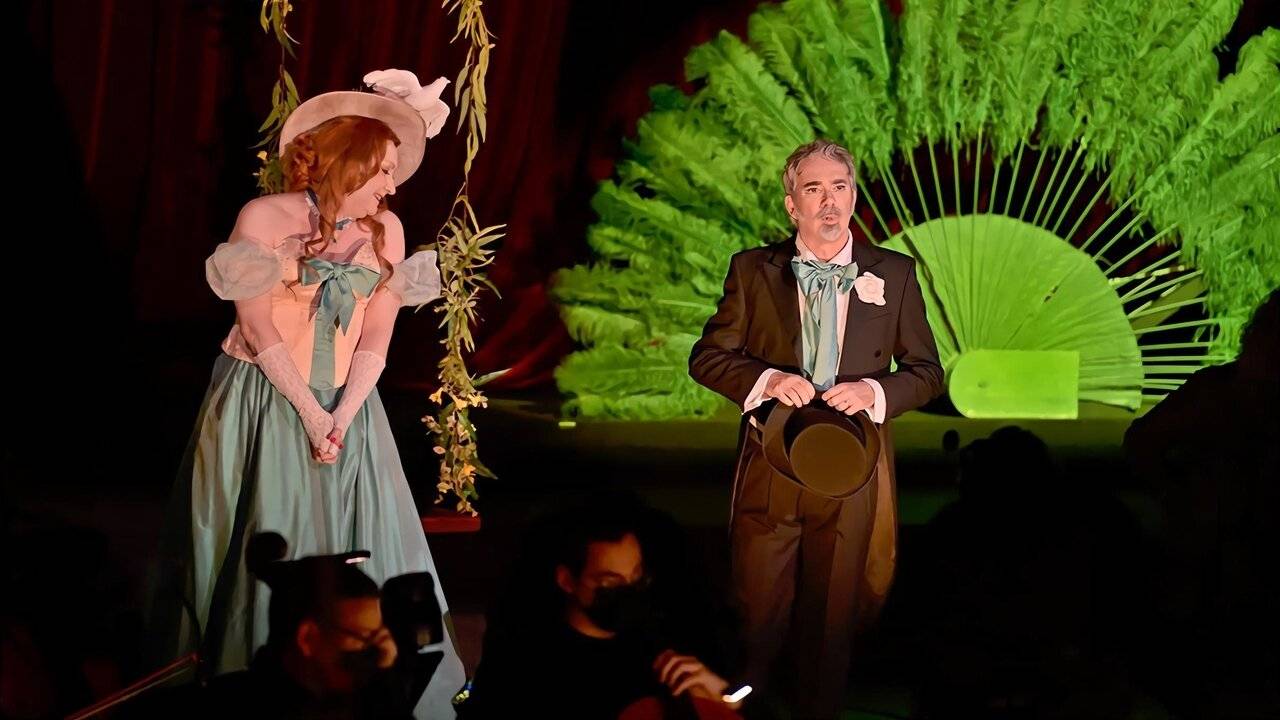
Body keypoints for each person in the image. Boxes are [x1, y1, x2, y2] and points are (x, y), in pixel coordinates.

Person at [146, 69, 466, 717]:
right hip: (264, 396)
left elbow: (377, 335)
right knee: (267, 529)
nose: (392, 184)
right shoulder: (265, 217)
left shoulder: (387, 230)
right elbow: (255, 325)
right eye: (382, 170)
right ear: (350, 159)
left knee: (356, 532)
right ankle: (247, 675)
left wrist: (342, 413)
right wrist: (310, 413)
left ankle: (361, 678)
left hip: (349, 405)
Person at [689, 140, 943, 717]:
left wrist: (874, 391)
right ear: (791, 205)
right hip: (772, 460)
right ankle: (742, 707)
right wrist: (768, 380)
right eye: (814, 189)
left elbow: (928, 373)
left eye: (840, 188)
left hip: (852, 469)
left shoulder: (894, 273)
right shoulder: (753, 270)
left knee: (831, 620)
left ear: (852, 197)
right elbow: (707, 358)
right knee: (755, 609)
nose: (829, 202)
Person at [460, 497, 741, 719]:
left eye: (636, 577)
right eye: (610, 583)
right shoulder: (528, 663)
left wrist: (723, 697)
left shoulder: (661, 642)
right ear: (567, 580)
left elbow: (734, 702)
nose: (629, 590)